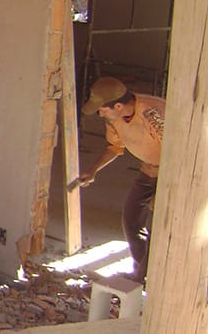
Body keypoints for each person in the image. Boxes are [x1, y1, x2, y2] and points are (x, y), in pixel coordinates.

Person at [78, 76, 164, 284]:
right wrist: (93, 170)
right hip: (149, 170)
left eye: (103, 110)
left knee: (161, 227)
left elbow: (180, 153)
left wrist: (163, 194)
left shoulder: (153, 114)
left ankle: (143, 279)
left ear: (118, 105)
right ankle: (142, 273)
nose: (100, 113)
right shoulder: (115, 119)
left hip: (175, 173)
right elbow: (115, 147)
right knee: (132, 220)